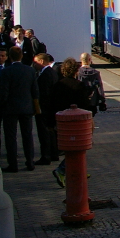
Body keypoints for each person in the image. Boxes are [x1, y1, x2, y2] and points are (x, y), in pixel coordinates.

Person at [50, 58, 91, 188]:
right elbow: (85, 105)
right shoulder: (79, 85)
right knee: (80, 146)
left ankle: (80, 170)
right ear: (76, 71)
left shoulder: (57, 85)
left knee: (71, 148)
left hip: (62, 122)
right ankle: (62, 170)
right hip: (77, 123)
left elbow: (52, 103)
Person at [0, 46, 39, 173]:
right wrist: (35, 106)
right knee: (27, 135)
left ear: (9, 57)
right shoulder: (30, 70)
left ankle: (13, 164)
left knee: (11, 137)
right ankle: (30, 162)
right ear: (21, 56)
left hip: (11, 108)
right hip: (26, 107)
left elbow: (4, 92)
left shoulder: (6, 71)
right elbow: (35, 90)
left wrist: (2, 105)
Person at [31, 53, 60, 165]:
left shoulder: (45, 75)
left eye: (36, 62)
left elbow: (44, 93)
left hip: (44, 109)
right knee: (51, 131)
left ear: (42, 61)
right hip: (51, 108)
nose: (34, 64)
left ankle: (46, 156)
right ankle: (54, 153)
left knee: (43, 133)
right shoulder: (52, 72)